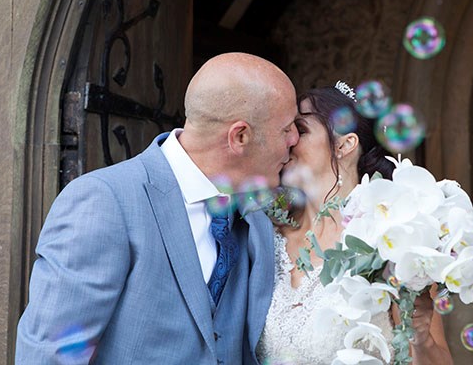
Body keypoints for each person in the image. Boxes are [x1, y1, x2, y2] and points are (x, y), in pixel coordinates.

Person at [15, 52, 299, 364]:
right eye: (286, 128)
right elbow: (49, 355)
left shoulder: (256, 213)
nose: (295, 139)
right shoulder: (104, 201)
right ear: (240, 136)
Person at [256, 83, 453, 365]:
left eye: (299, 129)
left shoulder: (391, 239)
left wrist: (420, 337)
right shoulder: (263, 233)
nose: (287, 139)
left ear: (344, 144)